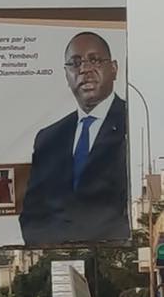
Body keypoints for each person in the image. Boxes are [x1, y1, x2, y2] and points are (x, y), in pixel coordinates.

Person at [20, 31, 129, 246]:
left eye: (95, 60)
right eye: (75, 63)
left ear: (114, 68)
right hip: (58, 254)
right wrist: (61, 247)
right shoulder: (48, 138)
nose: (85, 70)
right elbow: (32, 216)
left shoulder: (131, 122)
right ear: (66, 75)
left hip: (115, 255)